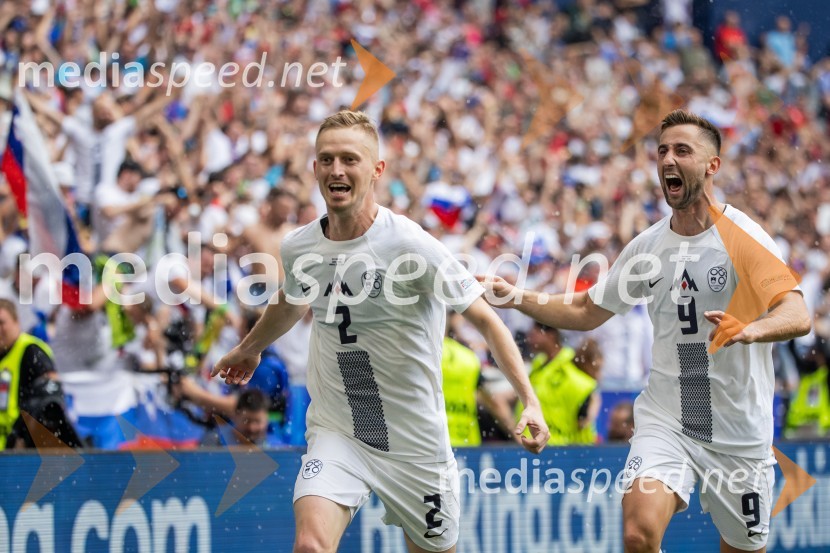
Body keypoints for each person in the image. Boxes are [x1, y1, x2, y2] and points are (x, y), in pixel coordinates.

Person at [213, 110, 549, 553]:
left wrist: (529, 399)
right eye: (327, 159)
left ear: (376, 170)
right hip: (340, 430)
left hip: (415, 443)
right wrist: (249, 348)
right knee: (311, 546)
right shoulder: (299, 246)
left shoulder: (411, 245)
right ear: (314, 169)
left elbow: (487, 319)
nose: (337, 170)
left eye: (350, 159)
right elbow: (292, 300)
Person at [479, 110, 811, 553]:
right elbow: (587, 309)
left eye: (682, 150)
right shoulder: (648, 247)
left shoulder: (744, 238)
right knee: (638, 534)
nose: (668, 159)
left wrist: (752, 329)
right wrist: (516, 296)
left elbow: (798, 313)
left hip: (739, 432)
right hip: (668, 419)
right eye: (662, 151)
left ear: (712, 165)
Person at [0, 298, 78, 449]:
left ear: (17, 323)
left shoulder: (31, 351)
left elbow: (50, 400)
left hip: (20, 449)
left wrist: (23, 435)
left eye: (1, 323)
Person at [521, 323, 602, 445]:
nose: (529, 338)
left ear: (551, 334)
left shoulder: (569, 367)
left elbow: (589, 399)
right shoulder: (538, 364)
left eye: (534, 333)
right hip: (534, 442)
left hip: (563, 447)